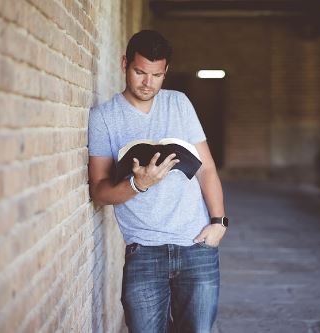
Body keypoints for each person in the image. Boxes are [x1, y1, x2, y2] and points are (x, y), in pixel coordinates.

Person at [87, 30, 228, 333]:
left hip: (196, 245)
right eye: (139, 72)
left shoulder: (179, 103)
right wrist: (138, 184)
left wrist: (219, 222)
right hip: (144, 251)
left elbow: (206, 168)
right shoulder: (104, 118)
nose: (147, 83)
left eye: (156, 75)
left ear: (166, 72)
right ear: (125, 63)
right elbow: (99, 190)